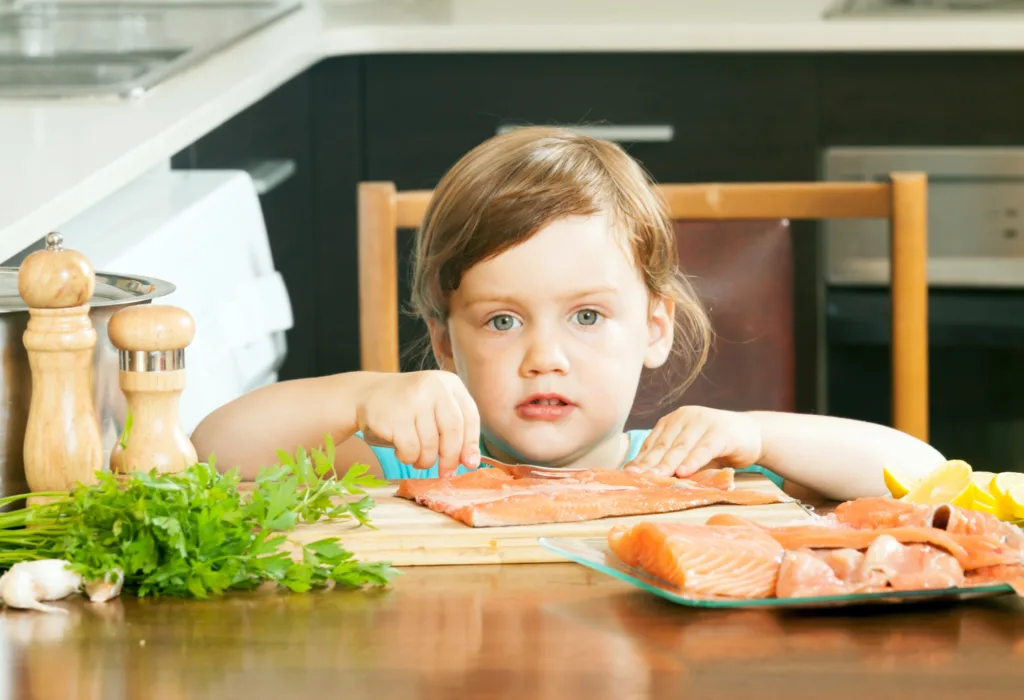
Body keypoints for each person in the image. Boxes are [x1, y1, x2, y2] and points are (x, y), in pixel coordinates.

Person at [191, 126, 945, 502]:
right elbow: (215, 450)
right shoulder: (404, 465)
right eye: (501, 321)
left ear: (655, 328)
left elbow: (926, 476)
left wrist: (760, 433)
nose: (543, 357)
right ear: (443, 343)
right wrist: (361, 396)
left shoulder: (688, 466)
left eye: (586, 317)